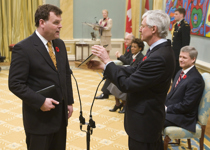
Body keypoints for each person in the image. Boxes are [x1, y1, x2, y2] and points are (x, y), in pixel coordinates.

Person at [87, 10, 175, 150]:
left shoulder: (159, 56)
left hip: (145, 123)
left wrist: (108, 60)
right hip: (143, 120)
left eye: (142, 25)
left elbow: (126, 84)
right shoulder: (157, 50)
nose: (139, 29)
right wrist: (104, 66)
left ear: (153, 29)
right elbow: (136, 70)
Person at [9, 4, 74, 150]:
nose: (61, 26)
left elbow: (65, 75)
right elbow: (15, 84)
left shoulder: (60, 44)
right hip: (39, 119)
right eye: (56, 22)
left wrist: (69, 101)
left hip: (60, 117)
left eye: (60, 22)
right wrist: (40, 101)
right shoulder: (23, 48)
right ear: (42, 23)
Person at [165, 46, 204, 132]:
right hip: (174, 110)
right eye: (180, 56)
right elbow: (171, 94)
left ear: (193, 59)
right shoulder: (180, 72)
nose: (181, 60)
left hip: (184, 116)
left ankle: (155, 144)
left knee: (154, 119)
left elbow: (187, 105)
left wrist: (167, 109)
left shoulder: (195, 79)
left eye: (184, 58)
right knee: (150, 111)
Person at [108, 38, 145, 113]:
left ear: (140, 48)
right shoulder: (134, 55)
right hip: (130, 74)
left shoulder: (140, 57)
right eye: (132, 46)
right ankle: (117, 103)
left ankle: (125, 104)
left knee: (120, 81)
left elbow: (135, 69)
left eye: (135, 47)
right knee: (115, 80)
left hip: (134, 77)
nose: (132, 48)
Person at [95, 33, 134, 99]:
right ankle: (106, 92)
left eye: (127, 39)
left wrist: (120, 56)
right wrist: (119, 57)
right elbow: (125, 59)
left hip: (128, 68)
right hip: (125, 66)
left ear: (132, 40)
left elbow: (129, 61)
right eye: (125, 39)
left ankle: (105, 93)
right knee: (110, 70)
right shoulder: (128, 47)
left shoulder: (133, 48)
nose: (125, 41)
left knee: (111, 71)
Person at [172, 7, 191, 80]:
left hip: (179, 56)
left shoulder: (185, 26)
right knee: (173, 75)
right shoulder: (177, 25)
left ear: (181, 15)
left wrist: (182, 55)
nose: (174, 15)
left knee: (177, 75)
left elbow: (185, 43)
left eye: (176, 14)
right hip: (174, 54)